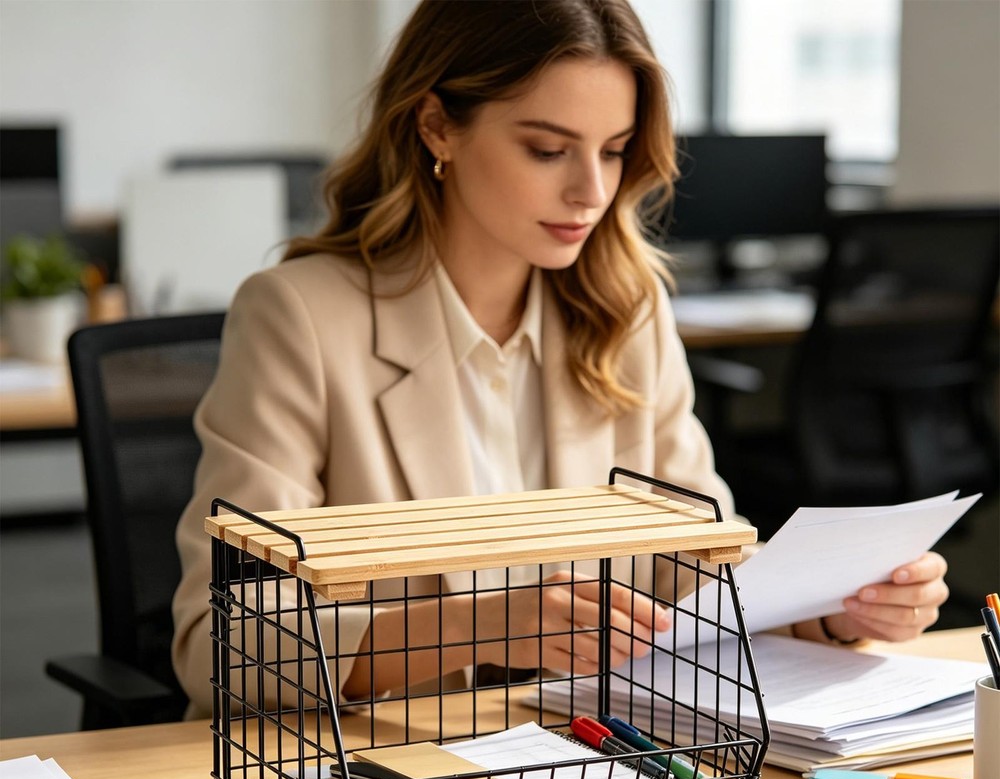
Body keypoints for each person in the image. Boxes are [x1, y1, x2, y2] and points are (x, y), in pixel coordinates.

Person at [171, 0, 948, 717]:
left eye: (613, 152)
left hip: (590, 773)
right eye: (548, 149)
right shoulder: (299, 316)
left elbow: (696, 572)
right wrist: (472, 628)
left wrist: (832, 607)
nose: (591, 191)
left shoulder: (625, 310)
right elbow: (222, 646)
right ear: (438, 126)